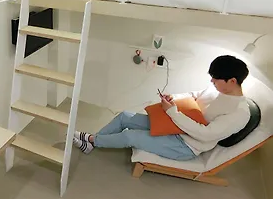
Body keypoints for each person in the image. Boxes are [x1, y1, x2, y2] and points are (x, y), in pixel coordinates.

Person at [72, 55, 251, 160]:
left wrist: (172, 112)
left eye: (216, 79)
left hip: (186, 145)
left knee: (130, 136)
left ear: (232, 81)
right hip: (174, 126)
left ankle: (92, 140)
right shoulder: (216, 89)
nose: (211, 81)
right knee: (125, 116)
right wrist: (174, 98)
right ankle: (93, 143)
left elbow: (205, 134)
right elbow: (195, 95)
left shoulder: (239, 113)